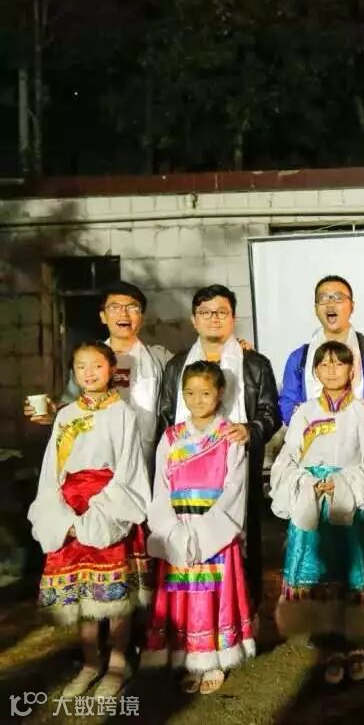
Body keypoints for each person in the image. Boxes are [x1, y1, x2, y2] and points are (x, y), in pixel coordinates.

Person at [28, 342, 152, 699]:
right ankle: (89, 662)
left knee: (116, 598)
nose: (89, 373)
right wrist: (59, 515)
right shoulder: (66, 415)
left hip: (108, 508)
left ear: (112, 369)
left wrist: (102, 512)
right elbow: (52, 470)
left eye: (96, 365)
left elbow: (129, 468)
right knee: (83, 597)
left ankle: (117, 663)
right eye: (81, 366)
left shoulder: (123, 413)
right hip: (70, 511)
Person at [270, 341, 364, 686]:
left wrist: (344, 482)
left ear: (352, 370)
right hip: (313, 502)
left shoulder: (362, 415)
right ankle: (330, 647)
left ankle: (355, 645)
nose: (331, 370)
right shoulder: (304, 413)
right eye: (324, 365)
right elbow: (287, 459)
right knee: (320, 577)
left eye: (339, 364)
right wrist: (308, 483)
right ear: (315, 372)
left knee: (351, 573)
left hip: (348, 504)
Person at [156, 284, 281, 609]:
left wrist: (250, 429)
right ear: (194, 320)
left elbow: (270, 413)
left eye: (221, 312)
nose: (214, 318)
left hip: (236, 471)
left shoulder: (254, 364)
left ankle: (241, 612)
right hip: (186, 479)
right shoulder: (177, 366)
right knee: (184, 539)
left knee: (241, 541)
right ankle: (187, 616)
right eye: (206, 312)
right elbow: (166, 416)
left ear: (233, 318)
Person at [144, 361, 256, 694]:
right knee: (185, 593)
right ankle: (188, 655)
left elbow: (235, 487)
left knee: (212, 593)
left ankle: (214, 659)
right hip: (179, 524)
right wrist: (171, 528)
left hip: (215, 528)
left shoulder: (230, 436)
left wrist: (207, 531)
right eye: (190, 393)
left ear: (220, 393)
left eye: (205, 393)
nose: (197, 400)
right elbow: (161, 486)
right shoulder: (171, 437)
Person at [24, 281, 172, 461]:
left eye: (132, 307)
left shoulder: (161, 359)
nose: (123, 313)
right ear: (103, 316)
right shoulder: (88, 359)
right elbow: (71, 404)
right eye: (114, 307)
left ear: (142, 317)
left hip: (146, 457)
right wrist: (54, 413)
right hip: (98, 459)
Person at [278, 275, 364, 442]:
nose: (330, 304)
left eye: (338, 297)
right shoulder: (299, 358)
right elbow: (287, 401)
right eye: (323, 298)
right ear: (315, 308)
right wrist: (302, 414)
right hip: (312, 446)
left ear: (352, 306)